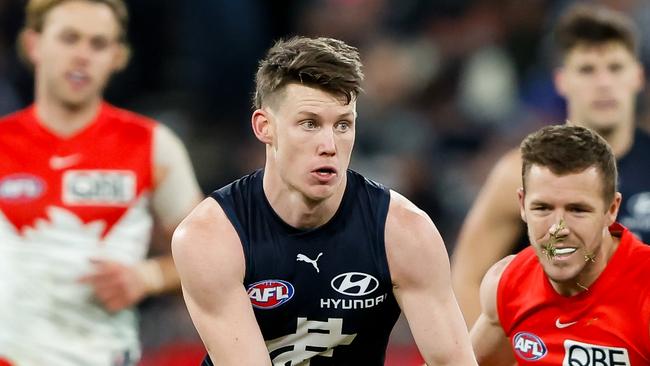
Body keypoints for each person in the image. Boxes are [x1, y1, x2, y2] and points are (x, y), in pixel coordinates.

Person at [172, 36, 477, 366]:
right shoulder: (211, 236)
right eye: (309, 124)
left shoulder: (404, 232)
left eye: (343, 125)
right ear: (264, 127)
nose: (329, 145)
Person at [0, 1, 202, 365]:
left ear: (118, 56)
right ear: (33, 45)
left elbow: (211, 255)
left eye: (98, 44)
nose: (82, 56)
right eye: (69, 38)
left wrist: (148, 277)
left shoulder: (153, 145)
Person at [451, 3, 650, 329]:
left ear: (637, 77)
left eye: (615, 68)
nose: (603, 83)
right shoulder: (520, 170)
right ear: (561, 80)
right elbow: (466, 278)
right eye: (587, 70)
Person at [470, 124, 650, 365]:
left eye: (577, 210)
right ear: (522, 205)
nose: (558, 229)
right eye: (542, 208)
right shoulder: (509, 284)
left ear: (611, 210)